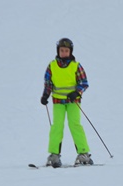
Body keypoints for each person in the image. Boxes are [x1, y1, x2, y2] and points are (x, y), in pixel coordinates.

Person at [40, 38, 93, 168]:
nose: (64, 53)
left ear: (70, 52)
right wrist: (45, 95)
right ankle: (54, 155)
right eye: (62, 50)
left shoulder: (76, 66)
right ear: (58, 51)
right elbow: (48, 83)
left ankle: (83, 153)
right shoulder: (52, 66)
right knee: (57, 127)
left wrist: (77, 92)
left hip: (73, 101)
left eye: (66, 51)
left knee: (75, 125)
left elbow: (84, 83)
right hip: (58, 102)